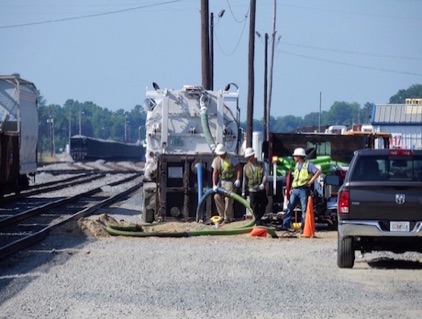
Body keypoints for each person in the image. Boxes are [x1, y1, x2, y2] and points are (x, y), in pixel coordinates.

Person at [279, 147, 321, 232]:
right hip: (295, 190)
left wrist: (311, 182)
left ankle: (304, 228)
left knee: (304, 210)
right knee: (290, 208)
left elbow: (318, 171)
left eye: (295, 156)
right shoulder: (297, 165)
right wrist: (291, 188)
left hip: (304, 189)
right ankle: (285, 225)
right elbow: (295, 178)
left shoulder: (308, 164)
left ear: (299, 156)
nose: (294, 157)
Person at [212, 143, 242, 223]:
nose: (220, 155)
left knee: (228, 197)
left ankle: (227, 217)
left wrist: (238, 179)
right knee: (216, 197)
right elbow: (215, 173)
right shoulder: (216, 160)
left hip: (231, 180)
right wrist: (214, 185)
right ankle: (222, 215)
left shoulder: (231, 158)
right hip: (221, 181)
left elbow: (239, 168)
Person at [242, 147, 268, 225]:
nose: (249, 158)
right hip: (252, 189)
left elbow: (265, 175)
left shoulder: (261, 164)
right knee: (253, 205)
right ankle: (258, 220)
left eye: (250, 157)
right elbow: (244, 179)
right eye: (247, 157)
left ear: (253, 155)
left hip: (260, 189)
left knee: (264, 203)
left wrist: (263, 183)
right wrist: (243, 191)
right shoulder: (245, 167)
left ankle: (258, 218)